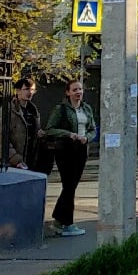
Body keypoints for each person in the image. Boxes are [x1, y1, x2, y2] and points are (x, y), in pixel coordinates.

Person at [38, 76, 96, 238]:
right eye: (75, 90)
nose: (78, 92)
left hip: (81, 149)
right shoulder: (61, 109)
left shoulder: (86, 109)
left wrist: (87, 138)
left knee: (71, 186)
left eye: (80, 89)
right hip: (65, 150)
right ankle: (67, 223)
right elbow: (50, 129)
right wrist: (69, 134)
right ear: (68, 93)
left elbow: (93, 129)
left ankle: (59, 220)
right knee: (69, 185)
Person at [2, 73, 40, 171]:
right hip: (14, 162)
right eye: (27, 89)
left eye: (32, 90)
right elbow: (2, 139)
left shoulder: (33, 110)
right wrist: (15, 159)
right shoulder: (10, 110)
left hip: (31, 159)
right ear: (18, 91)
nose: (30, 92)